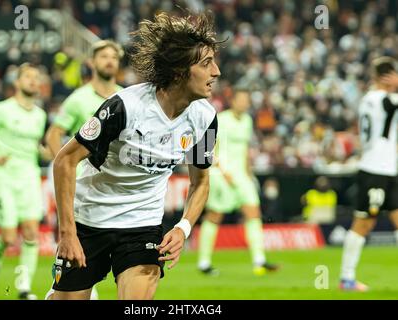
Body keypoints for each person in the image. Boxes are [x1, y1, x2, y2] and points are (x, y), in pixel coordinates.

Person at [49, 11, 220, 300]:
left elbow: (200, 182)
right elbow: (64, 160)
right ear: (179, 70)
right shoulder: (124, 107)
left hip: (142, 227)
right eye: (206, 63)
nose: (216, 72)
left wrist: (183, 228)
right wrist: (67, 233)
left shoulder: (206, 118)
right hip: (91, 221)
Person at [44, 39, 124, 300]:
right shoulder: (78, 99)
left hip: (114, 188)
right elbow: (54, 135)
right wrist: (68, 169)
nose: (109, 61)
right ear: (92, 63)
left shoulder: (125, 98)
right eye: (104, 56)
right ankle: (67, 290)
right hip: (82, 188)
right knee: (78, 245)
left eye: (114, 56)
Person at [0, 63, 52, 299]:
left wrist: (46, 153)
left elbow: (36, 147)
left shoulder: (40, 115)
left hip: (29, 177)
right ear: (17, 83)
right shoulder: (2, 110)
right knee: (8, 237)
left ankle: (23, 287)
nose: (32, 81)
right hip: (4, 177)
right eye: (28, 77)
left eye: (36, 78)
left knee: (31, 232)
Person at [197, 88, 278, 276]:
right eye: (240, 100)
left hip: (242, 175)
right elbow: (207, 146)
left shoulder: (248, 121)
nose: (243, 103)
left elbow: (244, 150)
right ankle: (204, 262)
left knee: (253, 212)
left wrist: (248, 173)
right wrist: (221, 170)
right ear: (232, 101)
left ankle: (260, 260)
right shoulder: (220, 119)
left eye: (246, 100)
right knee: (215, 216)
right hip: (221, 174)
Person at [339, 57, 398, 292]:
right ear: (387, 77)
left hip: (389, 169)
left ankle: (347, 278)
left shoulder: (372, 99)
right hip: (375, 170)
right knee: (364, 223)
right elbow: (390, 107)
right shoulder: (380, 99)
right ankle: (346, 279)